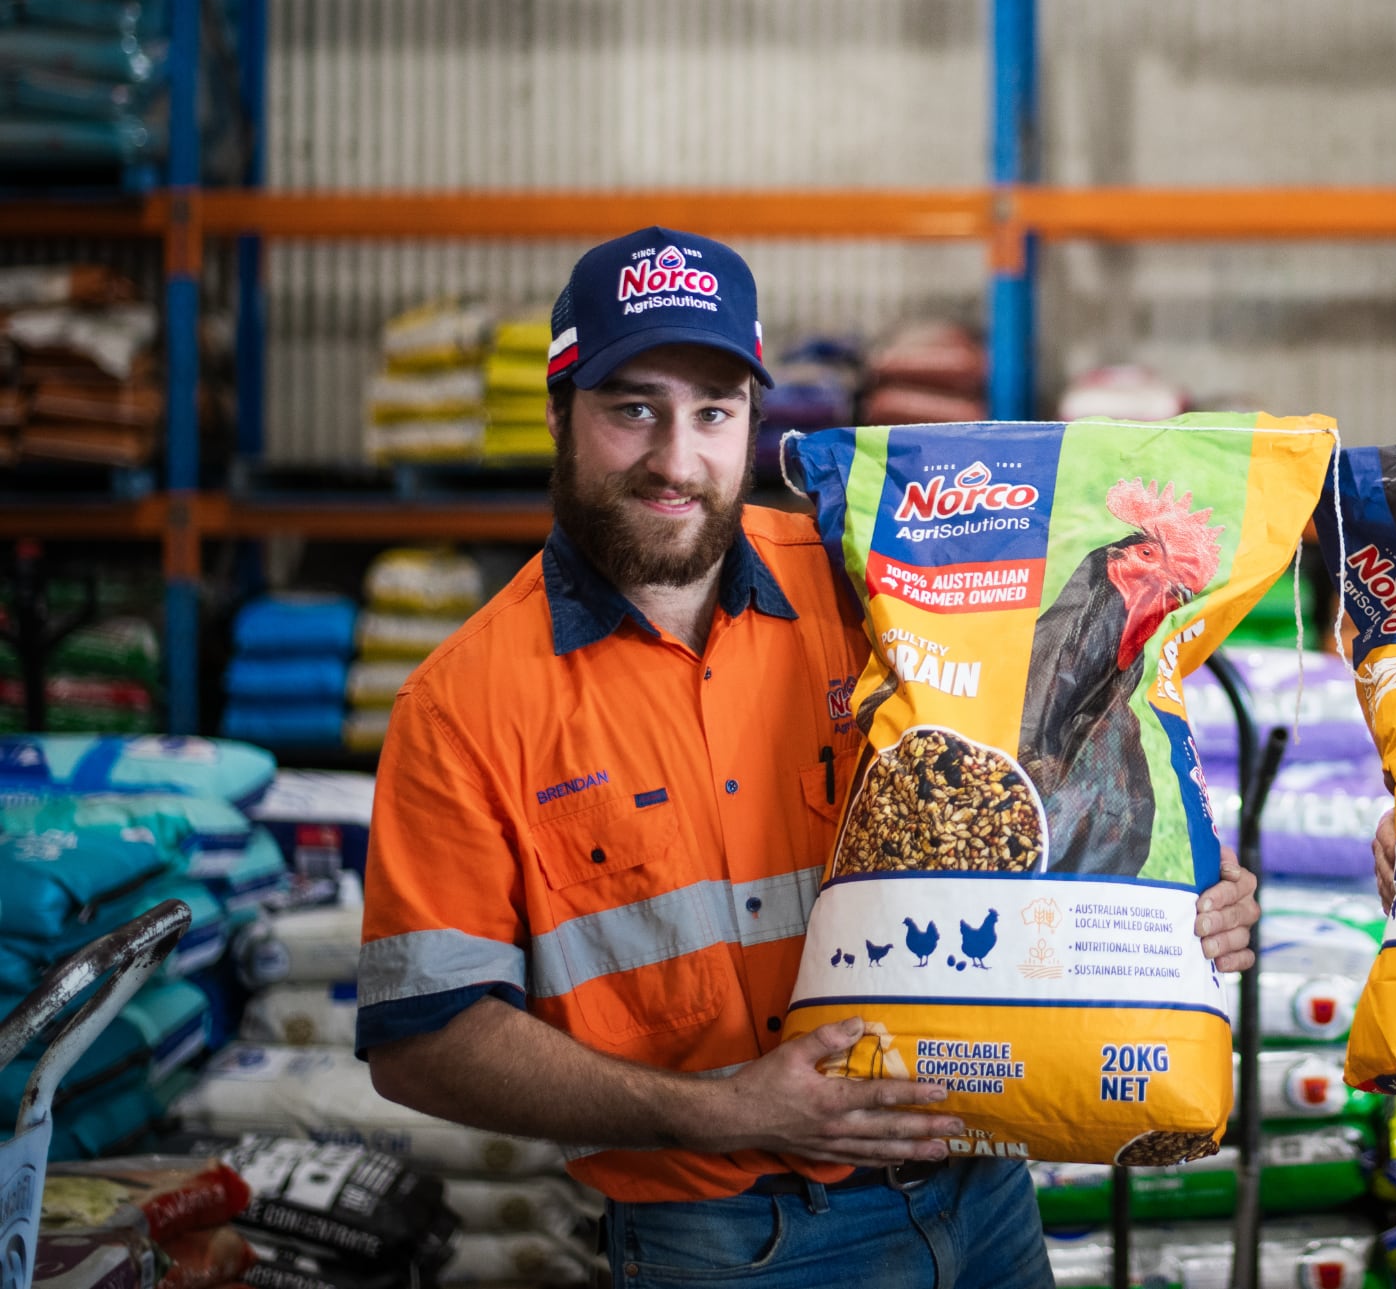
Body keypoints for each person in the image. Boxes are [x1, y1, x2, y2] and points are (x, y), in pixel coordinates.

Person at [358, 227, 1263, 1289]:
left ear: (754, 419)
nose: (676, 460)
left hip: (985, 1198)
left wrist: (1167, 901)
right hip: (737, 1246)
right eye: (633, 409)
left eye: (713, 412)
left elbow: (1038, 791)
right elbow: (423, 1041)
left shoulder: (871, 585)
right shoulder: (462, 706)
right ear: (560, 415)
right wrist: (723, 1109)